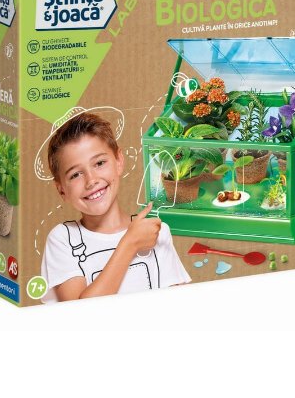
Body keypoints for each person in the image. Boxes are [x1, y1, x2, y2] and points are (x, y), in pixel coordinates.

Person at [39, 112, 190, 303]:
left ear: (119, 161)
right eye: (75, 174)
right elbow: (79, 312)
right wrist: (130, 243)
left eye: (99, 163)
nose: (91, 180)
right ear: (61, 189)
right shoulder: (63, 240)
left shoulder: (155, 232)